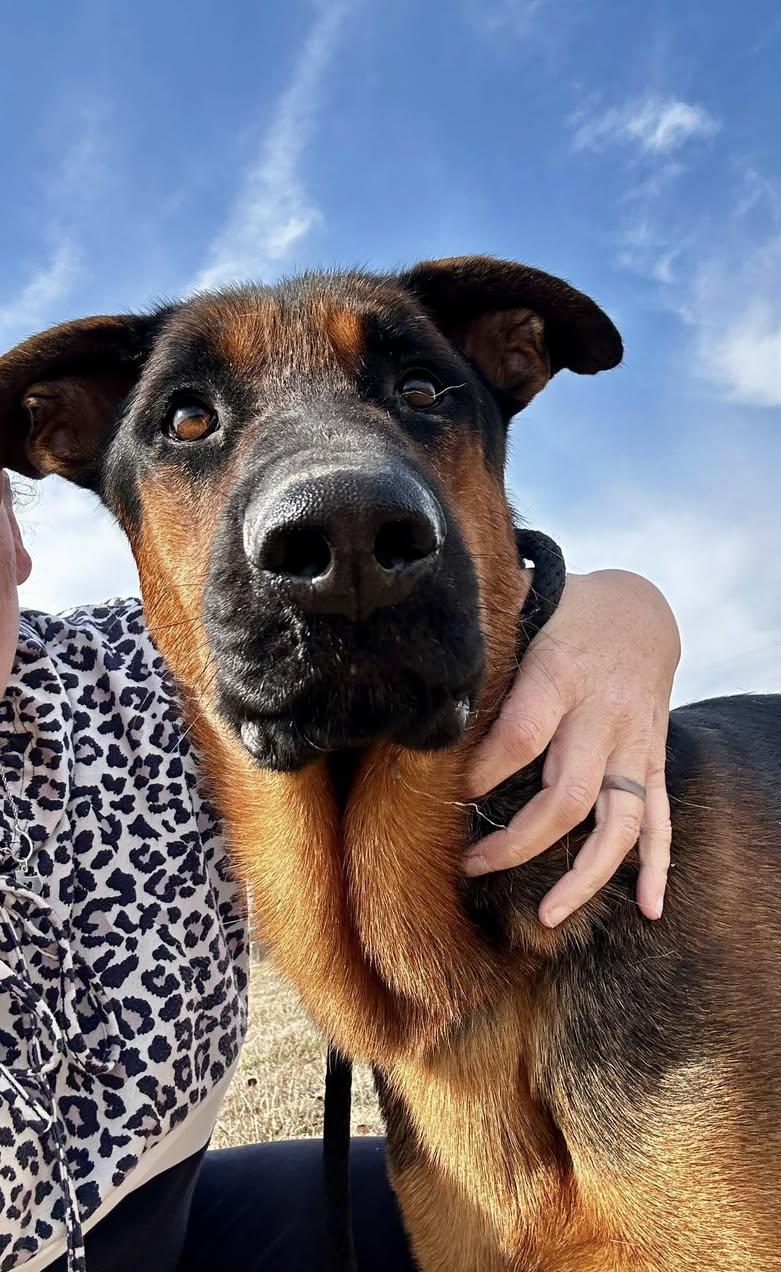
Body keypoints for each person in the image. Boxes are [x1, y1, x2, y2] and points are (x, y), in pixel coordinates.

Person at [0, 471, 681, 1271]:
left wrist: (623, 622)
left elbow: (497, 600)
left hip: (170, 1220)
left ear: (14, 538)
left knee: (502, 1229)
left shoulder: (132, 689)